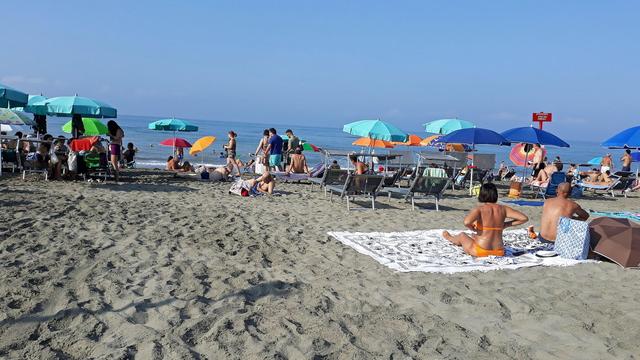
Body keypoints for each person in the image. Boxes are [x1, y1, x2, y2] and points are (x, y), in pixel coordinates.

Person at [442, 183, 529, 257]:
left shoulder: (480, 209)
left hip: (480, 251)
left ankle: (450, 238)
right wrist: (506, 224)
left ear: (481, 195)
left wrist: (473, 228)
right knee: (476, 235)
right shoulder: (504, 209)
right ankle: (475, 237)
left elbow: (466, 222)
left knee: (462, 235)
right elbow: (524, 218)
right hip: (499, 251)